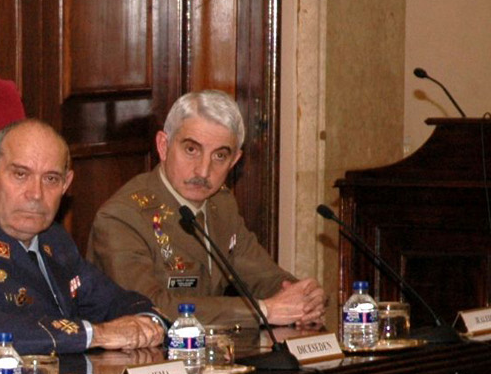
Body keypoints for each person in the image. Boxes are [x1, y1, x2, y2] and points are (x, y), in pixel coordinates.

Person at [0, 120, 166, 355]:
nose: (36, 194)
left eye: (51, 179)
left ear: (66, 185)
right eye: (20, 174)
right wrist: (96, 335)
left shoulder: (54, 240)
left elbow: (111, 300)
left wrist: (147, 322)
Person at [88, 90, 325, 326]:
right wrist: (262, 311)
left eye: (219, 156)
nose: (203, 171)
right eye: (191, 150)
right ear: (163, 146)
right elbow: (151, 309)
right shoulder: (122, 216)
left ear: (234, 161)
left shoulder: (220, 204)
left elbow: (262, 275)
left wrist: (303, 297)